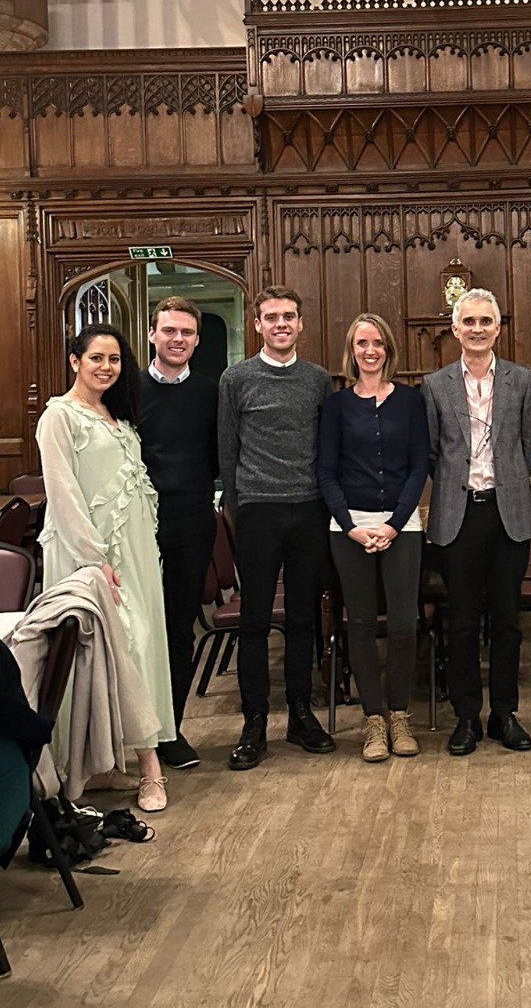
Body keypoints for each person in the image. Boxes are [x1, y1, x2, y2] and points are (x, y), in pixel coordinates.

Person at [35, 325, 174, 812]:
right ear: (75, 361)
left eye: (114, 359)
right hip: (89, 555)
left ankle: (112, 763)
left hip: (134, 552)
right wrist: (95, 559)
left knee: (140, 646)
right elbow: (63, 494)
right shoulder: (59, 416)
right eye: (96, 358)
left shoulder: (117, 416)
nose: (106, 367)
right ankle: (148, 767)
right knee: (115, 649)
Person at [218, 287, 334, 771]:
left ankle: (301, 714)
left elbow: (327, 446)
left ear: (300, 323)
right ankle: (255, 722)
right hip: (258, 511)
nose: (281, 324)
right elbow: (227, 450)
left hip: (308, 509)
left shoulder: (318, 380)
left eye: (289, 316)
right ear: (258, 325)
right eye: (272, 317)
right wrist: (240, 507)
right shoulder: (235, 379)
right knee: (255, 621)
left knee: (304, 618)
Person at [422, 288, 531, 756]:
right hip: (458, 515)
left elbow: (529, 445)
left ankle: (504, 714)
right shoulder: (435, 385)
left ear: (498, 328)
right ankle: (467, 715)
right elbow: (433, 453)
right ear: (455, 329)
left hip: (507, 513)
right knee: (463, 621)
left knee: (508, 620)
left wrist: (506, 483)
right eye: (468, 321)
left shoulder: (523, 380)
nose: (477, 329)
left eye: (485, 321)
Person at [318, 313, 429, 763]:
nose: (370, 350)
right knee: (360, 625)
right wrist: (351, 526)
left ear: (388, 349)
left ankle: (399, 715)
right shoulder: (336, 406)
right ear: (352, 350)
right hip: (349, 528)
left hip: (401, 527)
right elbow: (326, 473)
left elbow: (419, 467)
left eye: (377, 343)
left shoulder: (410, 401)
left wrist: (393, 524)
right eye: (362, 343)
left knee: (403, 624)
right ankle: (373, 720)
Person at [136, 296, 218, 772]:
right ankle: (135, 731)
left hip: (192, 520)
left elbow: (216, 456)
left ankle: (171, 729)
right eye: (169, 330)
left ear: (197, 340)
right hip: (139, 522)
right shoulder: (127, 389)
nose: (178, 339)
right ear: (152, 334)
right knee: (138, 630)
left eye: (186, 332)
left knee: (179, 627)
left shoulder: (210, 392)